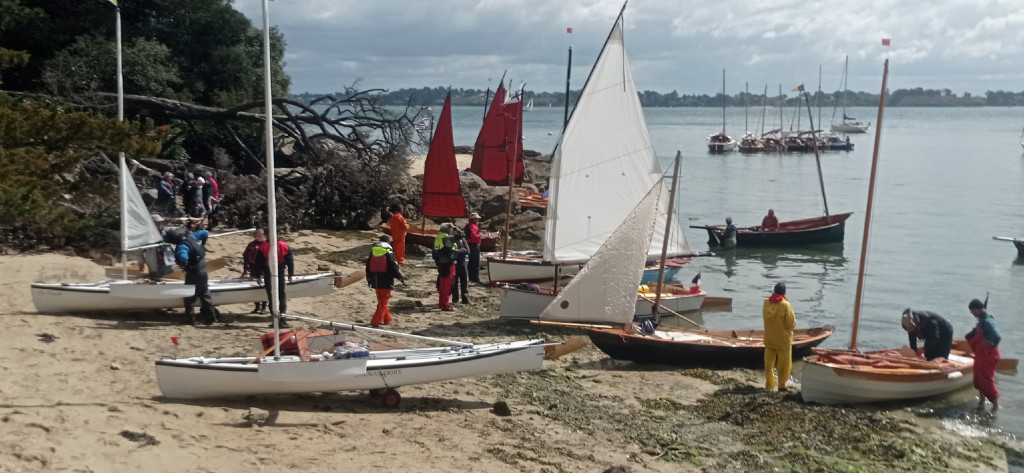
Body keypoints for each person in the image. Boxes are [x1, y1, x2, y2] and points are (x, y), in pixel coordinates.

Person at [164, 227, 218, 325]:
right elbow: (205, 232)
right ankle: (211, 317)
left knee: (188, 296)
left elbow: (184, 259)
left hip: (194, 272)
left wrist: (183, 266)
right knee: (205, 294)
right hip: (203, 269)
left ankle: (190, 319)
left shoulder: (182, 246)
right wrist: (203, 244)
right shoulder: (192, 236)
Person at [966, 298, 1002, 411]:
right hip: (980, 354)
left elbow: (997, 336)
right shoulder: (980, 319)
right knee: (978, 378)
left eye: (972, 311)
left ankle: (995, 406)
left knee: (987, 379)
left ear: (977, 309)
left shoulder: (987, 320)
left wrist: (991, 344)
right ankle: (981, 401)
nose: (971, 313)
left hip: (988, 355)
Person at [256, 230, 294, 328]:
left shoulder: (263, 246)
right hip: (279, 274)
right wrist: (290, 274)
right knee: (281, 297)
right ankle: (282, 320)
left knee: (272, 297)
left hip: (269, 274)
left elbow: (258, 263)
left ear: (267, 235)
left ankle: (276, 320)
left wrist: (259, 275)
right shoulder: (284, 245)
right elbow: (290, 261)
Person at [365, 235, 406, 327]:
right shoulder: (388, 251)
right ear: (388, 242)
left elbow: (368, 267)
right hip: (386, 280)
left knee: (381, 301)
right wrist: (401, 278)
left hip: (375, 280)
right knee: (384, 302)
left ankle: (388, 319)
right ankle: (376, 321)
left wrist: (369, 280)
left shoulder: (373, 251)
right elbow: (393, 268)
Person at [762, 282, 795, 391]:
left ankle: (770, 385)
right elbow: (791, 324)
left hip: (769, 339)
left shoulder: (766, 303)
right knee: (784, 366)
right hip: (783, 341)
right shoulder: (786, 305)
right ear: (784, 292)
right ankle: (781, 385)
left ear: (774, 291)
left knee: (768, 364)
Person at [138, 213, 176, 280]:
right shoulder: (146, 235)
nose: (160, 224)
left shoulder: (165, 231)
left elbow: (174, 230)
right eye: (157, 222)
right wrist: (141, 263)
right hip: (153, 260)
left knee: (166, 276)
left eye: (160, 222)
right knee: (155, 277)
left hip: (166, 260)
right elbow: (140, 250)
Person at [432, 222, 458, 311]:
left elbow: (434, 251)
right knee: (448, 286)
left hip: (441, 263)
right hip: (449, 263)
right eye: (451, 229)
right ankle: (445, 305)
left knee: (443, 285)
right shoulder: (447, 238)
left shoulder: (438, 236)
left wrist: (438, 263)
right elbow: (451, 250)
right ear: (448, 229)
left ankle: (441, 303)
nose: (452, 230)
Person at [241, 228, 268, 314]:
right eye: (257, 235)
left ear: (264, 235)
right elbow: (245, 257)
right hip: (253, 268)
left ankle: (264, 307)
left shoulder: (268, 244)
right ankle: (257, 306)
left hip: (265, 268)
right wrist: (245, 270)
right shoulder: (252, 244)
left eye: (260, 235)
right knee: (254, 287)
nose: (258, 237)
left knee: (264, 288)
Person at [450, 226, 470, 304]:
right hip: (454, 263)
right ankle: (455, 299)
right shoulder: (450, 240)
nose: (451, 232)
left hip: (462, 262)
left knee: (464, 281)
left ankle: (465, 298)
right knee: (454, 282)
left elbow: (468, 251)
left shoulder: (462, 240)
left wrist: (457, 251)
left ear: (456, 232)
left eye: (453, 231)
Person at [465, 212, 482, 283]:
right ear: (474, 219)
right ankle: (475, 278)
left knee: (471, 261)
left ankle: (471, 277)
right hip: (474, 245)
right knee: (475, 262)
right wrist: (480, 235)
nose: (478, 220)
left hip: (470, 244)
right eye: (477, 218)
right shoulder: (473, 226)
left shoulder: (469, 225)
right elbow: (474, 235)